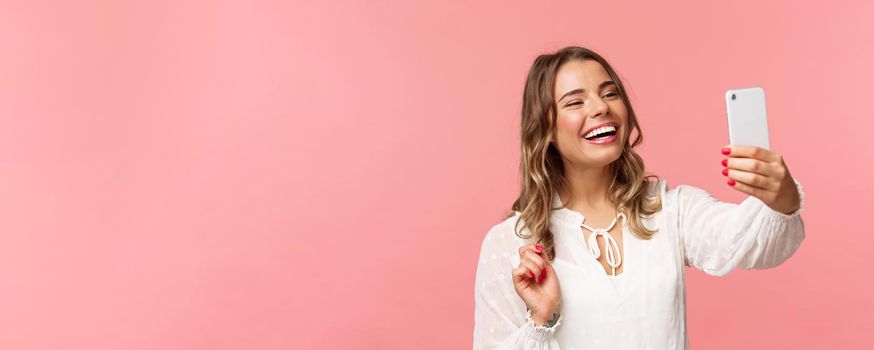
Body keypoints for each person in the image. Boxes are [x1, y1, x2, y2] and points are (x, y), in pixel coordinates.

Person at [472, 46, 805, 349]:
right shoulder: (511, 244)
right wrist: (541, 320)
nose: (601, 107)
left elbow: (752, 243)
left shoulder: (670, 210)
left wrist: (782, 196)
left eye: (610, 93)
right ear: (544, 128)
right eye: (576, 102)